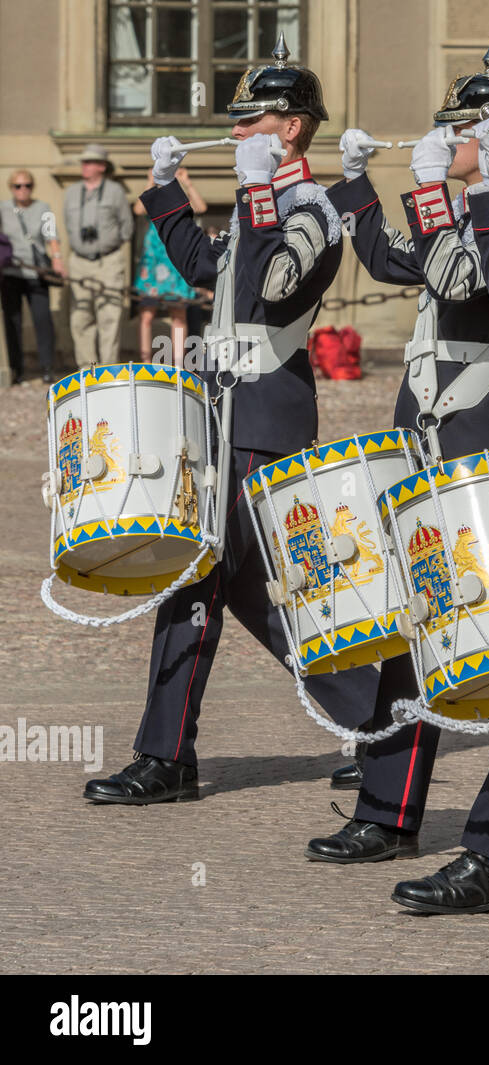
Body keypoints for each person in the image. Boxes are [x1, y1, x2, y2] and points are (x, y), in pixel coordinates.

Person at [83, 34, 380, 806]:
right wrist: (166, 191)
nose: (237, 132)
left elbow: (279, 288)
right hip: (218, 417)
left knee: (203, 580)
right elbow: (210, 272)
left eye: (251, 122)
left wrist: (256, 195)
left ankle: (166, 755)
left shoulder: (309, 207)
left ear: (289, 128)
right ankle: (376, 721)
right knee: (249, 587)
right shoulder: (264, 206)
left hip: (262, 419)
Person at [304, 39, 489, 863]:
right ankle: (387, 811)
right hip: (421, 429)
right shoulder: (459, 207)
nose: (444, 140)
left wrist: (432, 188)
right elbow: (394, 259)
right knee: (413, 624)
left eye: (460, 130)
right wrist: (356, 183)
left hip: (476, 434)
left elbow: (466, 276)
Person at [64, 144, 133, 368]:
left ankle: (107, 369)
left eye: (90, 162)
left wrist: (107, 244)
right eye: (84, 162)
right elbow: (67, 224)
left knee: (109, 316)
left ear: (102, 166)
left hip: (108, 260)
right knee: (81, 317)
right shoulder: (72, 192)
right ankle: (87, 369)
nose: (85, 166)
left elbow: (127, 227)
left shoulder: (115, 191)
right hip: (79, 261)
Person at [132, 169, 206, 363]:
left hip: (176, 259)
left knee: (178, 314)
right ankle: (146, 362)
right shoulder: (154, 195)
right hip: (154, 261)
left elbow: (201, 207)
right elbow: (138, 210)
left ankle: (179, 365)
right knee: (147, 314)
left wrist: (186, 183)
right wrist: (150, 181)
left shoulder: (179, 196)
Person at [1, 169, 62, 384]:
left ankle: (47, 366)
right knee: (13, 321)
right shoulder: (3, 209)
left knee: (43, 320)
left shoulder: (43, 208)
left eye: (27, 185)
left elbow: (51, 236)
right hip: (11, 273)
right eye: (18, 186)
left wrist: (56, 259)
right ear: (12, 188)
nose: (23, 190)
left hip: (37, 272)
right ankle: (17, 368)